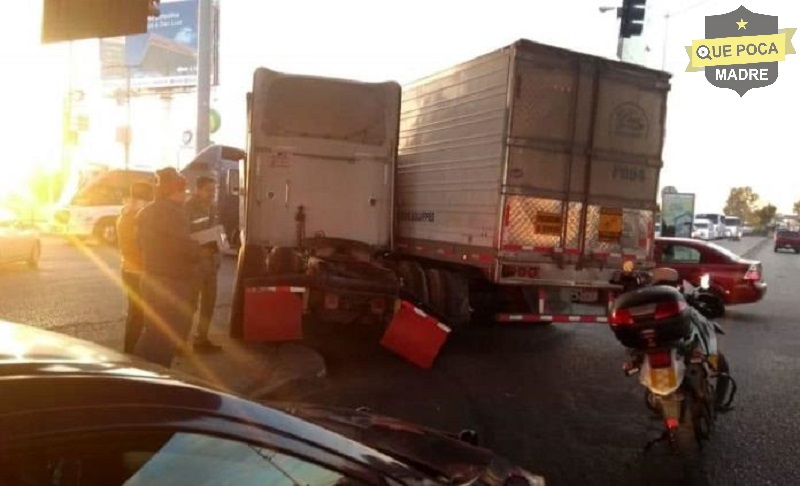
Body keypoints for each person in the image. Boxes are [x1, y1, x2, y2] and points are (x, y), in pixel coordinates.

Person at [133, 168, 201, 367]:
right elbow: (182, 248)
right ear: (174, 190)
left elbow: (139, 243)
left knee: (152, 332)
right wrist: (201, 250)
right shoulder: (174, 214)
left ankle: (139, 373)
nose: (185, 194)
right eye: (183, 190)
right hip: (172, 283)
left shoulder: (144, 212)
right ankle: (156, 382)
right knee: (166, 337)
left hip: (150, 278)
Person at [184, 175, 223, 352]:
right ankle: (180, 341)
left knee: (209, 303)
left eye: (214, 190)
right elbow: (184, 236)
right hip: (196, 263)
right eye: (209, 190)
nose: (212, 193)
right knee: (190, 304)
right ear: (198, 190)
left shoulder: (214, 208)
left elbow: (217, 230)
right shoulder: (188, 207)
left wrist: (222, 243)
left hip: (212, 262)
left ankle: (202, 339)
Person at [116, 181, 154, 353]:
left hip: (130, 270)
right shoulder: (133, 219)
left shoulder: (126, 216)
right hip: (137, 272)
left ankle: (132, 351)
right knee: (137, 315)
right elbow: (139, 246)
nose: (148, 205)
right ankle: (131, 353)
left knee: (137, 314)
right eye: (146, 201)